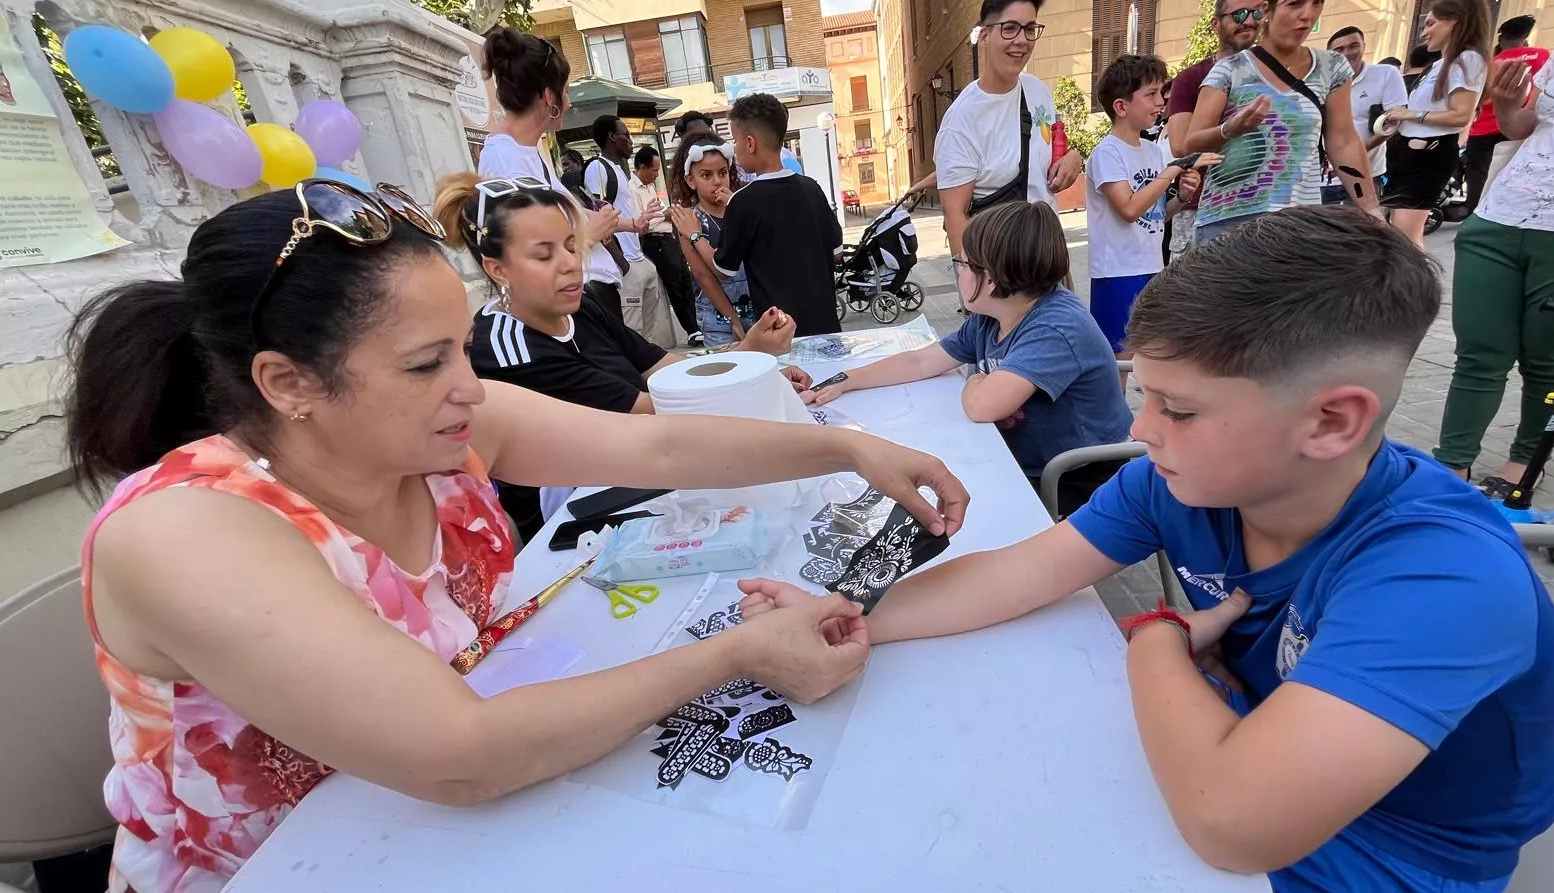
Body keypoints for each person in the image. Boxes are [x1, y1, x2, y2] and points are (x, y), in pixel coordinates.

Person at [66, 181, 968, 892]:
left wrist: (850, 445)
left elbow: (657, 443)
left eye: (463, 345)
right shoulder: (186, 532)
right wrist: (739, 655)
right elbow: (462, 757)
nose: (470, 384)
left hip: (471, 822)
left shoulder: (442, 425)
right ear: (288, 383)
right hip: (286, 865)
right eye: (427, 363)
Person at [745, 207, 1554, 892]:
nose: (1140, 431)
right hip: (1237, 757)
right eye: (1143, 394)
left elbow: (1232, 823)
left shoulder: (1442, 573)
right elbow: (1021, 573)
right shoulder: (1176, 484)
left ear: (1331, 421)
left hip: (1388, 856)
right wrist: (847, 615)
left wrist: (1156, 643)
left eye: (1177, 409)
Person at [433, 173, 806, 538]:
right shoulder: (509, 349)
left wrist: (748, 360)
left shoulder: (581, 307)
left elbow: (665, 368)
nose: (569, 264)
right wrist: (749, 370)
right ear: (497, 269)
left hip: (642, 474)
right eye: (543, 255)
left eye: (571, 246)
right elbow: (654, 410)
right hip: (577, 526)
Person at [804, 201, 1132, 516]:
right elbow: (921, 361)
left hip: (1076, 474)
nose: (955, 272)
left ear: (990, 278)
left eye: (960, 264)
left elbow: (982, 406)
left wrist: (975, 378)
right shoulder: (992, 315)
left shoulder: (1056, 327)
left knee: (940, 500)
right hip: (1028, 456)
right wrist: (848, 379)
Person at [1434, 14, 1554, 495]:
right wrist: (1506, 104)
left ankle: (1526, 462)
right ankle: (1452, 465)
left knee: (1549, 360)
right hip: (1501, 215)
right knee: (1479, 352)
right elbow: (1522, 126)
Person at [1188, 0, 1379, 246]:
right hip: (1230, 222)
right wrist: (1229, 129)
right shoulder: (1230, 69)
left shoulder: (1332, 67)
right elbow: (1190, 145)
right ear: (1268, 9)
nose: (1307, 14)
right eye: (1295, 3)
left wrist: (1371, 209)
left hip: (1298, 223)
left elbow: (1343, 142)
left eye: (1318, 2)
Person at [472, 26, 627, 324]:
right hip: (572, 304)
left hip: (586, 296)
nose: (568, 102)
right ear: (548, 97)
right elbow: (531, 252)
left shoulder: (526, 151)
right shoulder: (506, 159)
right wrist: (591, 231)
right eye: (565, 91)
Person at [671, 93, 843, 337]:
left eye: (736, 141)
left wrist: (695, 235)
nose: (735, 149)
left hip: (779, 330)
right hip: (825, 323)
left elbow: (722, 268)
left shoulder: (743, 201)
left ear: (750, 144)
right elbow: (836, 253)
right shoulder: (811, 188)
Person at [933, 0, 1084, 264]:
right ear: (985, 36)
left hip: (1049, 255)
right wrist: (972, 294)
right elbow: (955, 215)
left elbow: (1053, 150)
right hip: (1000, 271)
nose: (1022, 40)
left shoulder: (1037, 90)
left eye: (1029, 29)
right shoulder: (962, 121)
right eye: (1010, 28)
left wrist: (1073, 158)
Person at [1086, 54, 1208, 358]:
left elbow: (1155, 215)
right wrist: (1172, 171)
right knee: (1119, 361)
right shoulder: (1107, 153)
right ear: (1121, 106)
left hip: (1152, 267)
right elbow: (1128, 209)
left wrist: (1180, 199)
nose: (1160, 102)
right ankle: (1115, 408)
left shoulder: (1154, 152)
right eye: (1150, 94)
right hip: (1117, 273)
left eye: (1160, 93)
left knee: (1152, 354)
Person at [1379, 0, 1492, 246]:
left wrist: (1410, 114)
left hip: (1429, 155)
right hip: (1410, 154)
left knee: (1405, 238)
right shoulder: (1442, 63)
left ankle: (1416, 285)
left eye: (1430, 24)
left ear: (1454, 21)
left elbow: (1461, 115)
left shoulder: (1468, 59)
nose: (1423, 32)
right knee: (1397, 234)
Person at [1166, 0, 1263, 257]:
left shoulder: (1275, 76)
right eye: (1238, 15)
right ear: (1216, 24)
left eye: (1256, 12)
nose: (1249, 21)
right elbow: (1180, 146)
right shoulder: (1191, 78)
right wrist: (1230, 128)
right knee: (1195, 295)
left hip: (1260, 207)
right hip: (1202, 209)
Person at [586, 115, 675, 349]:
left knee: (648, 334)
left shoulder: (618, 170)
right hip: (625, 263)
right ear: (611, 137)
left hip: (638, 259)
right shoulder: (598, 168)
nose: (630, 141)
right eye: (625, 135)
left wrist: (641, 221)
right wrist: (621, 262)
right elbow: (599, 216)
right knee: (631, 333)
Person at [667, 131, 757, 346]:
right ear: (691, 180)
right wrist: (733, 319)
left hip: (757, 308)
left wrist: (735, 207)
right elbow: (703, 276)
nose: (717, 181)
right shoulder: (689, 220)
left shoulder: (742, 208)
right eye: (706, 175)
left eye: (723, 172)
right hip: (719, 319)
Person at [1462, 15, 1548, 215]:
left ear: (1501, 40)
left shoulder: (1490, 62)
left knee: (1478, 175)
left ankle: (1475, 212)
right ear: (1526, 37)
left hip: (1482, 128)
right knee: (1512, 176)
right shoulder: (1541, 55)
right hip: (1518, 126)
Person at [1322, 26, 1408, 205]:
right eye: (1339, 50)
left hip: (1366, 172)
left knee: (1361, 228)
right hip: (1324, 177)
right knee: (1320, 229)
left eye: (1353, 45)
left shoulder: (1385, 74)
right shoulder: (1321, 81)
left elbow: (1394, 122)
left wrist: (1354, 154)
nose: (1346, 53)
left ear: (1363, 46)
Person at [632, 145, 701, 344]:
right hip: (654, 241)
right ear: (642, 167)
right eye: (653, 170)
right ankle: (691, 329)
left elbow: (661, 212)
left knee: (685, 279)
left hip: (669, 237)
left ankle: (695, 324)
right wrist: (664, 215)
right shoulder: (631, 190)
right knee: (674, 284)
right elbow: (641, 222)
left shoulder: (651, 188)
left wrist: (669, 214)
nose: (656, 175)